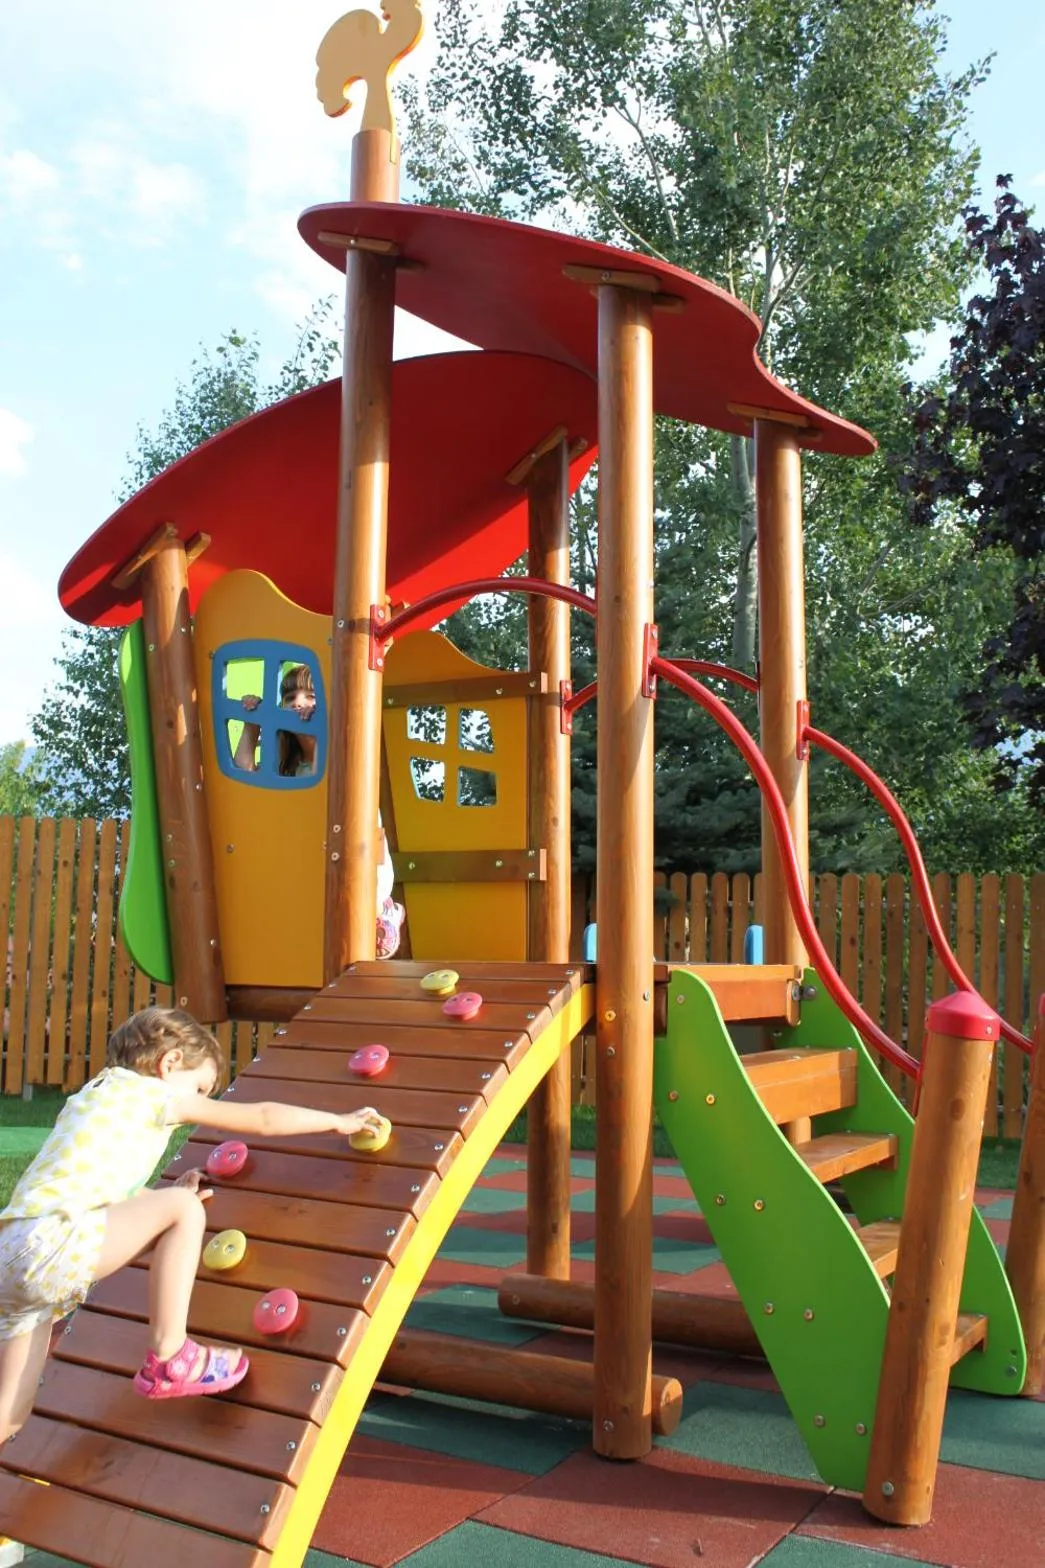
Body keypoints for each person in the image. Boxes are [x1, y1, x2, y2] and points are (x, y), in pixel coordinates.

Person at [0, 1006, 385, 1433]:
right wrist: (337, 1121)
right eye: (200, 1088)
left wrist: (160, 1200)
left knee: (10, 1413)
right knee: (186, 1210)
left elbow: (103, 1187)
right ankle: (170, 1357)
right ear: (170, 1064)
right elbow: (262, 1117)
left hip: (12, 1250)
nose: (199, 1100)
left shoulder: (95, 1097)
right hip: (48, 1243)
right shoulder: (154, 1094)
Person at [233, 662, 405, 958]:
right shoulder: (285, 765)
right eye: (289, 698)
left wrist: (315, 734)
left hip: (363, 879)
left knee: (371, 941)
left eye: (310, 695)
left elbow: (324, 788)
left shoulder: (341, 756)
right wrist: (253, 725)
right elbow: (243, 778)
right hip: (308, 871)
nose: (298, 702)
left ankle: (388, 911)